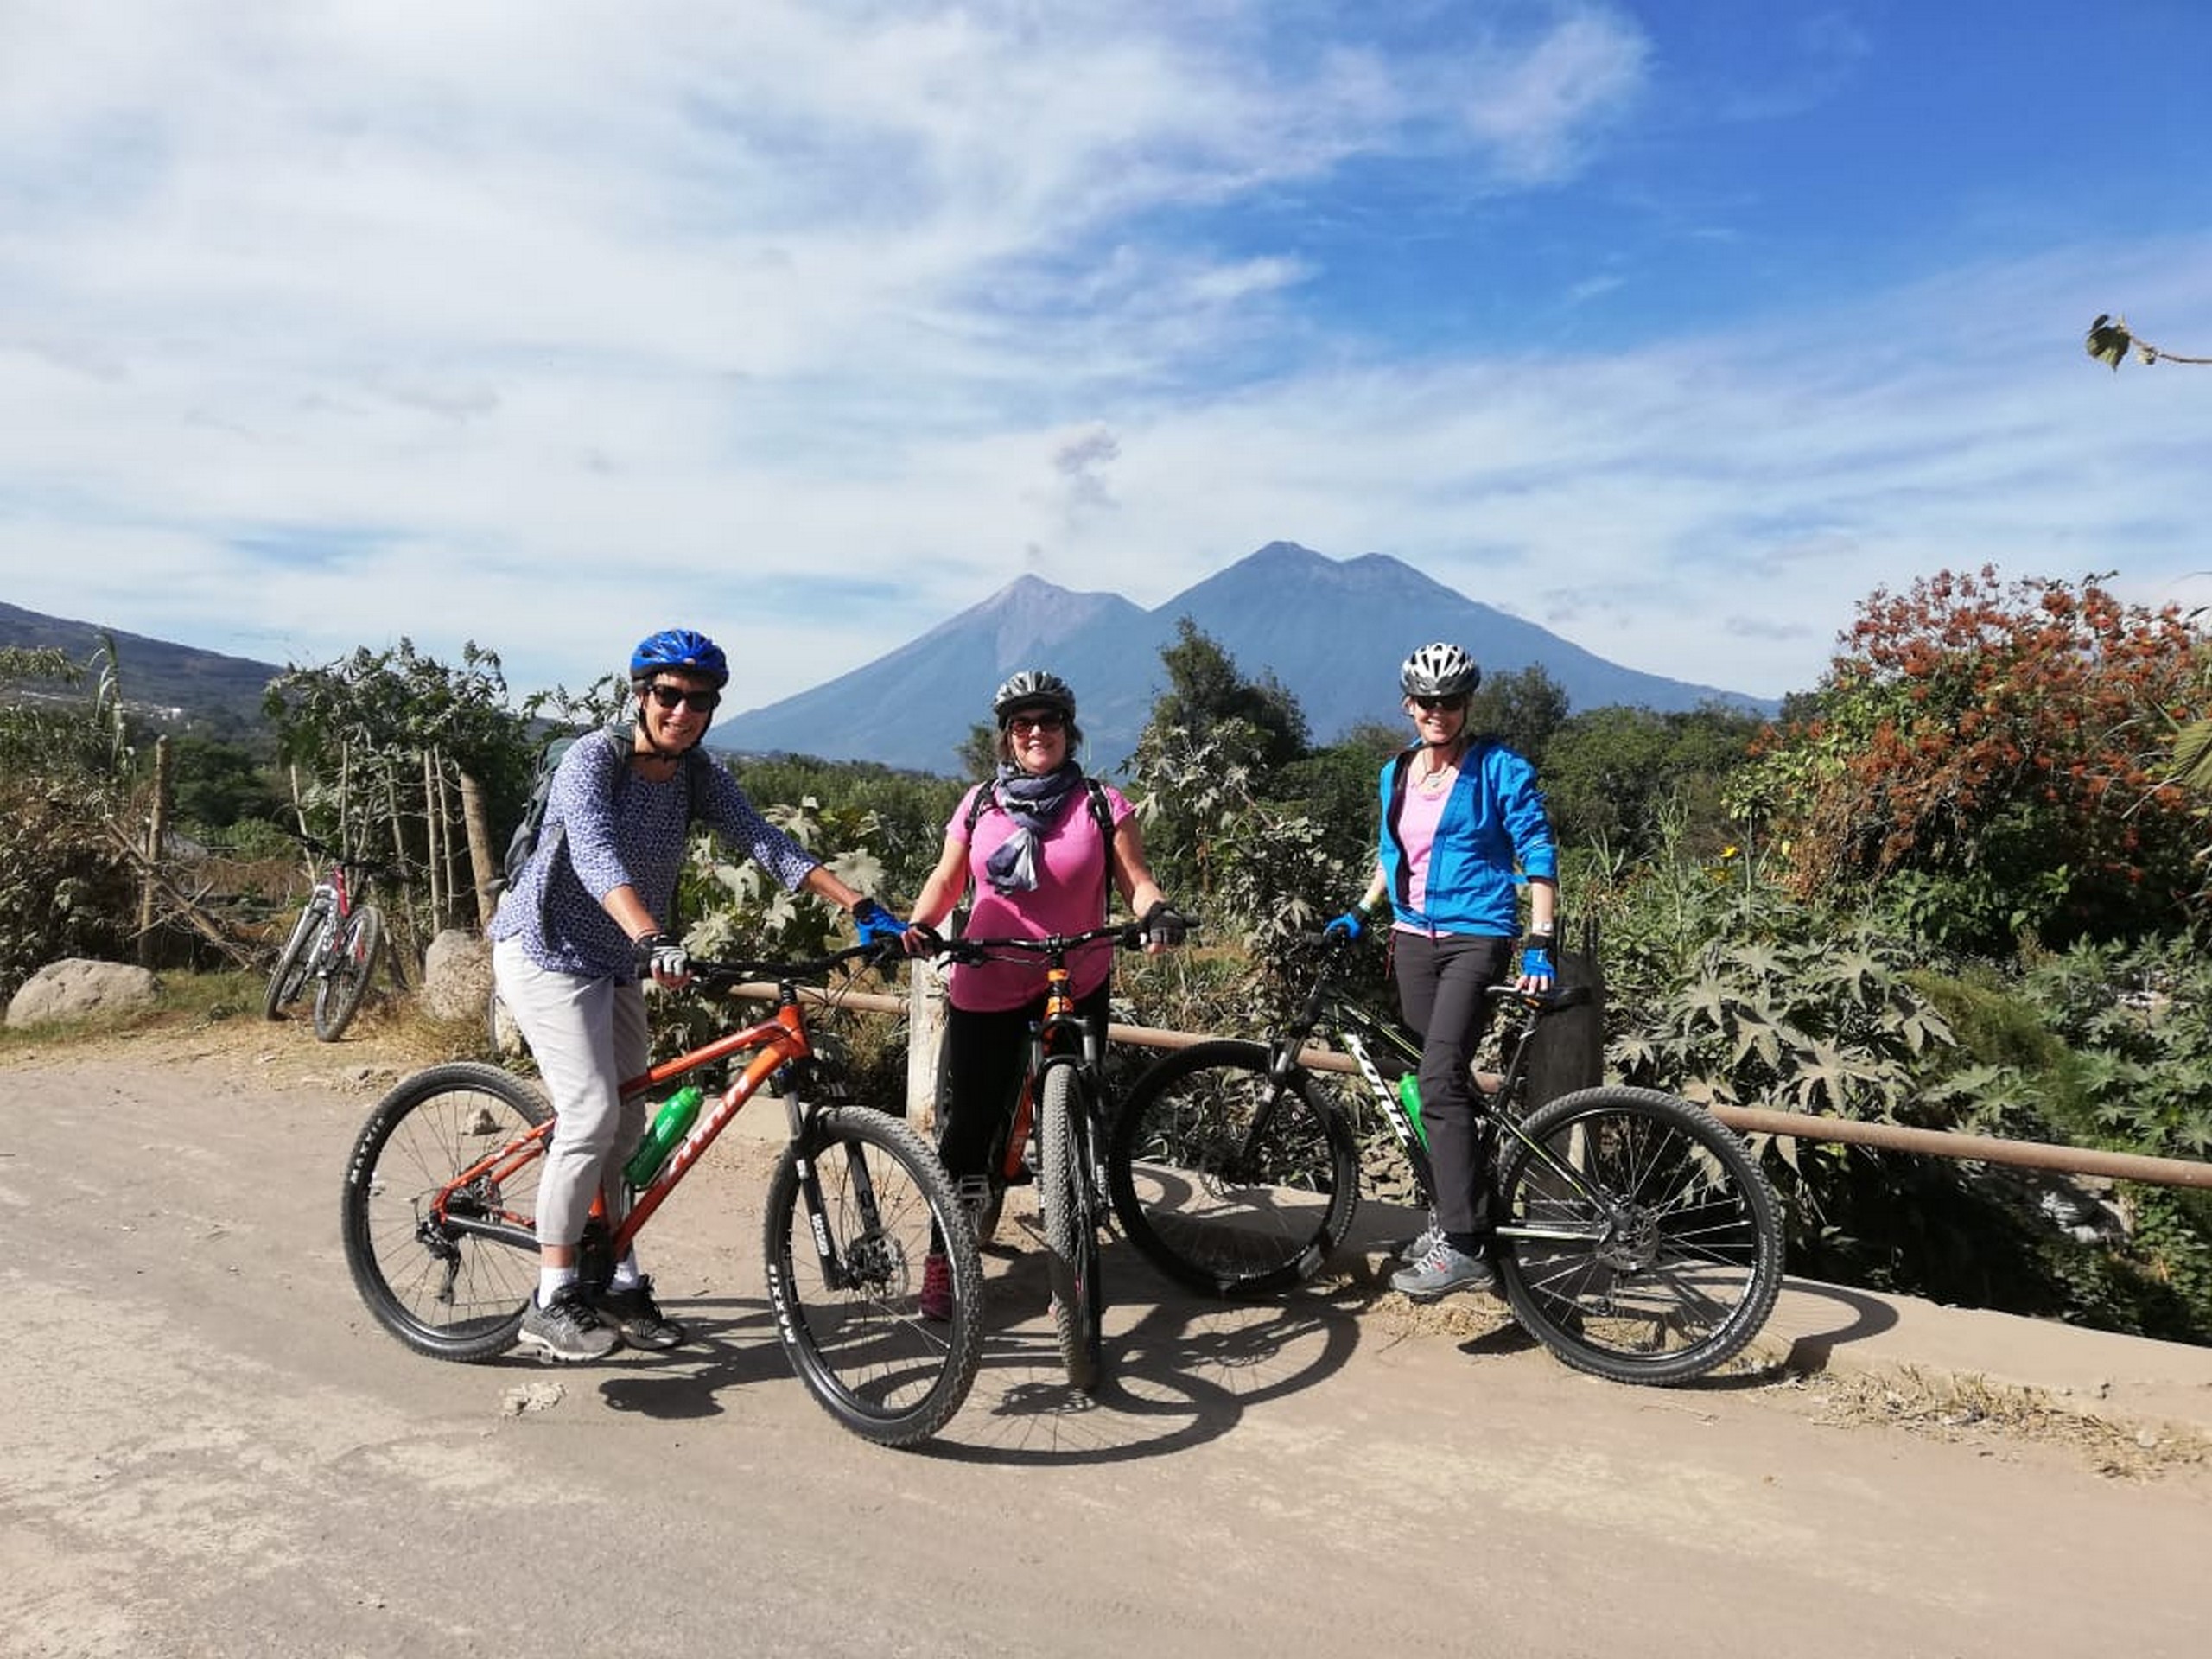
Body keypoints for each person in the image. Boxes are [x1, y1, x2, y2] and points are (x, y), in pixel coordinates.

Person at [490, 626, 906, 1362]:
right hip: (547, 950)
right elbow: (593, 853)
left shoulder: (695, 773)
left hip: (619, 957)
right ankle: (551, 1297)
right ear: (641, 695)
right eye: (669, 696)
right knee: (589, 1115)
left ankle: (616, 1282)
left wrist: (859, 907)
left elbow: (764, 841)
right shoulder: (593, 760)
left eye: (700, 701)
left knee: (625, 1129)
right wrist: (653, 937)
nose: (683, 711)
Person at [900, 669, 1188, 1319]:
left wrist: (1156, 911)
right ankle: (944, 1255)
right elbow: (947, 881)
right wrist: (918, 925)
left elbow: (1136, 879)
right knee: (969, 1122)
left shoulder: (1101, 803)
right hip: (990, 972)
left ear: (1069, 732)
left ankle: (1074, 1220)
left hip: (1076, 973)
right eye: (1023, 724)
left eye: (1049, 722)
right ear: (1007, 738)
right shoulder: (980, 804)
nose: (1037, 732)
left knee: (1082, 1110)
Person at [1325, 641, 1558, 1301]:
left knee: (1438, 1079)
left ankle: (1462, 1245)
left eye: (1450, 701)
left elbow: (1538, 850)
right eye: (1427, 701)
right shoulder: (1396, 772)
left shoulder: (1499, 770)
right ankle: (1467, 1215)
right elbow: (1392, 853)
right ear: (1408, 705)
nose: (1438, 711)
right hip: (1411, 941)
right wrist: (1361, 912)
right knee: (1423, 1077)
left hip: (1475, 936)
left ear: (1467, 705)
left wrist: (1541, 939)